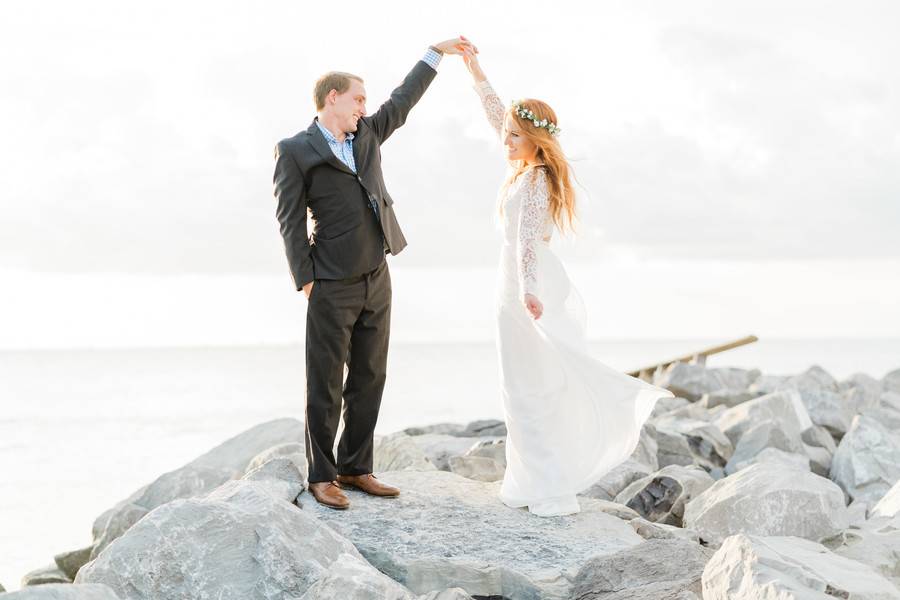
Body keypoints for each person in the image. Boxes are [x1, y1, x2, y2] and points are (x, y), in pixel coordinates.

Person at [461, 41, 675, 517]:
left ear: (537, 140)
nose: (507, 139)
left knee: (534, 383)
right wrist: (476, 72)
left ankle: (549, 485)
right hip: (512, 283)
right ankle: (529, 479)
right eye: (508, 134)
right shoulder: (520, 169)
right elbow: (498, 113)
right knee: (517, 383)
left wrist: (529, 291)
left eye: (516, 135)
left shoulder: (536, 179)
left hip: (527, 284)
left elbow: (528, 241)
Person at [273, 37, 476, 510]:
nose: (366, 106)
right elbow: (289, 219)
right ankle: (322, 476)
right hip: (329, 280)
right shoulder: (295, 150)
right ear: (333, 98)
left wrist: (435, 54)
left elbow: (402, 101)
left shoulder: (366, 134)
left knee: (370, 373)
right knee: (324, 380)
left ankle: (355, 466)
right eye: (358, 98)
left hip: (376, 273)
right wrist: (305, 278)